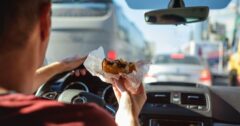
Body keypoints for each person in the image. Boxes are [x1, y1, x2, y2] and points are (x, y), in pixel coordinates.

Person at [0, 0, 146, 126]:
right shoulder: (86, 120)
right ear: (45, 23)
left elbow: (13, 90)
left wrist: (61, 66)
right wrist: (129, 116)